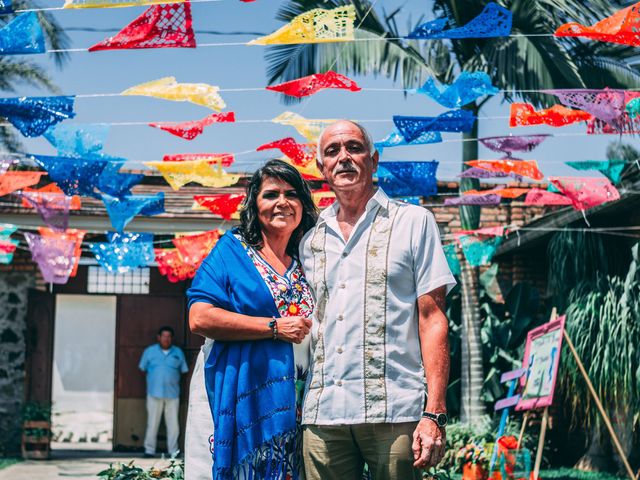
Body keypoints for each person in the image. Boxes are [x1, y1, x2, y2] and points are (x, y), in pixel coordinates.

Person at [299, 120, 456, 480]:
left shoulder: (414, 222)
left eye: (354, 148)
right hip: (322, 415)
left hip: (395, 411)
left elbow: (432, 319)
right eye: (332, 151)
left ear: (374, 161)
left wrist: (434, 412)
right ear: (321, 167)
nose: (343, 158)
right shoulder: (309, 240)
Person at [187, 159, 318, 479]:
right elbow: (199, 318)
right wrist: (273, 327)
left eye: (292, 194)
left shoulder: (311, 256)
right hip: (236, 392)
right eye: (271, 194)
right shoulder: (231, 251)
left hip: (296, 401)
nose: (282, 202)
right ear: (254, 205)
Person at [139, 326, 189, 458]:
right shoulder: (149, 352)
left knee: (173, 425)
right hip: (154, 393)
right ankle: (149, 450)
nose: (166, 339)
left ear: (171, 338)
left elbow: (184, 371)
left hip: (173, 394)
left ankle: (173, 451)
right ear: (158, 337)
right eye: (164, 336)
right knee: (152, 423)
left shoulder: (178, 352)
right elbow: (143, 368)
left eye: (169, 336)